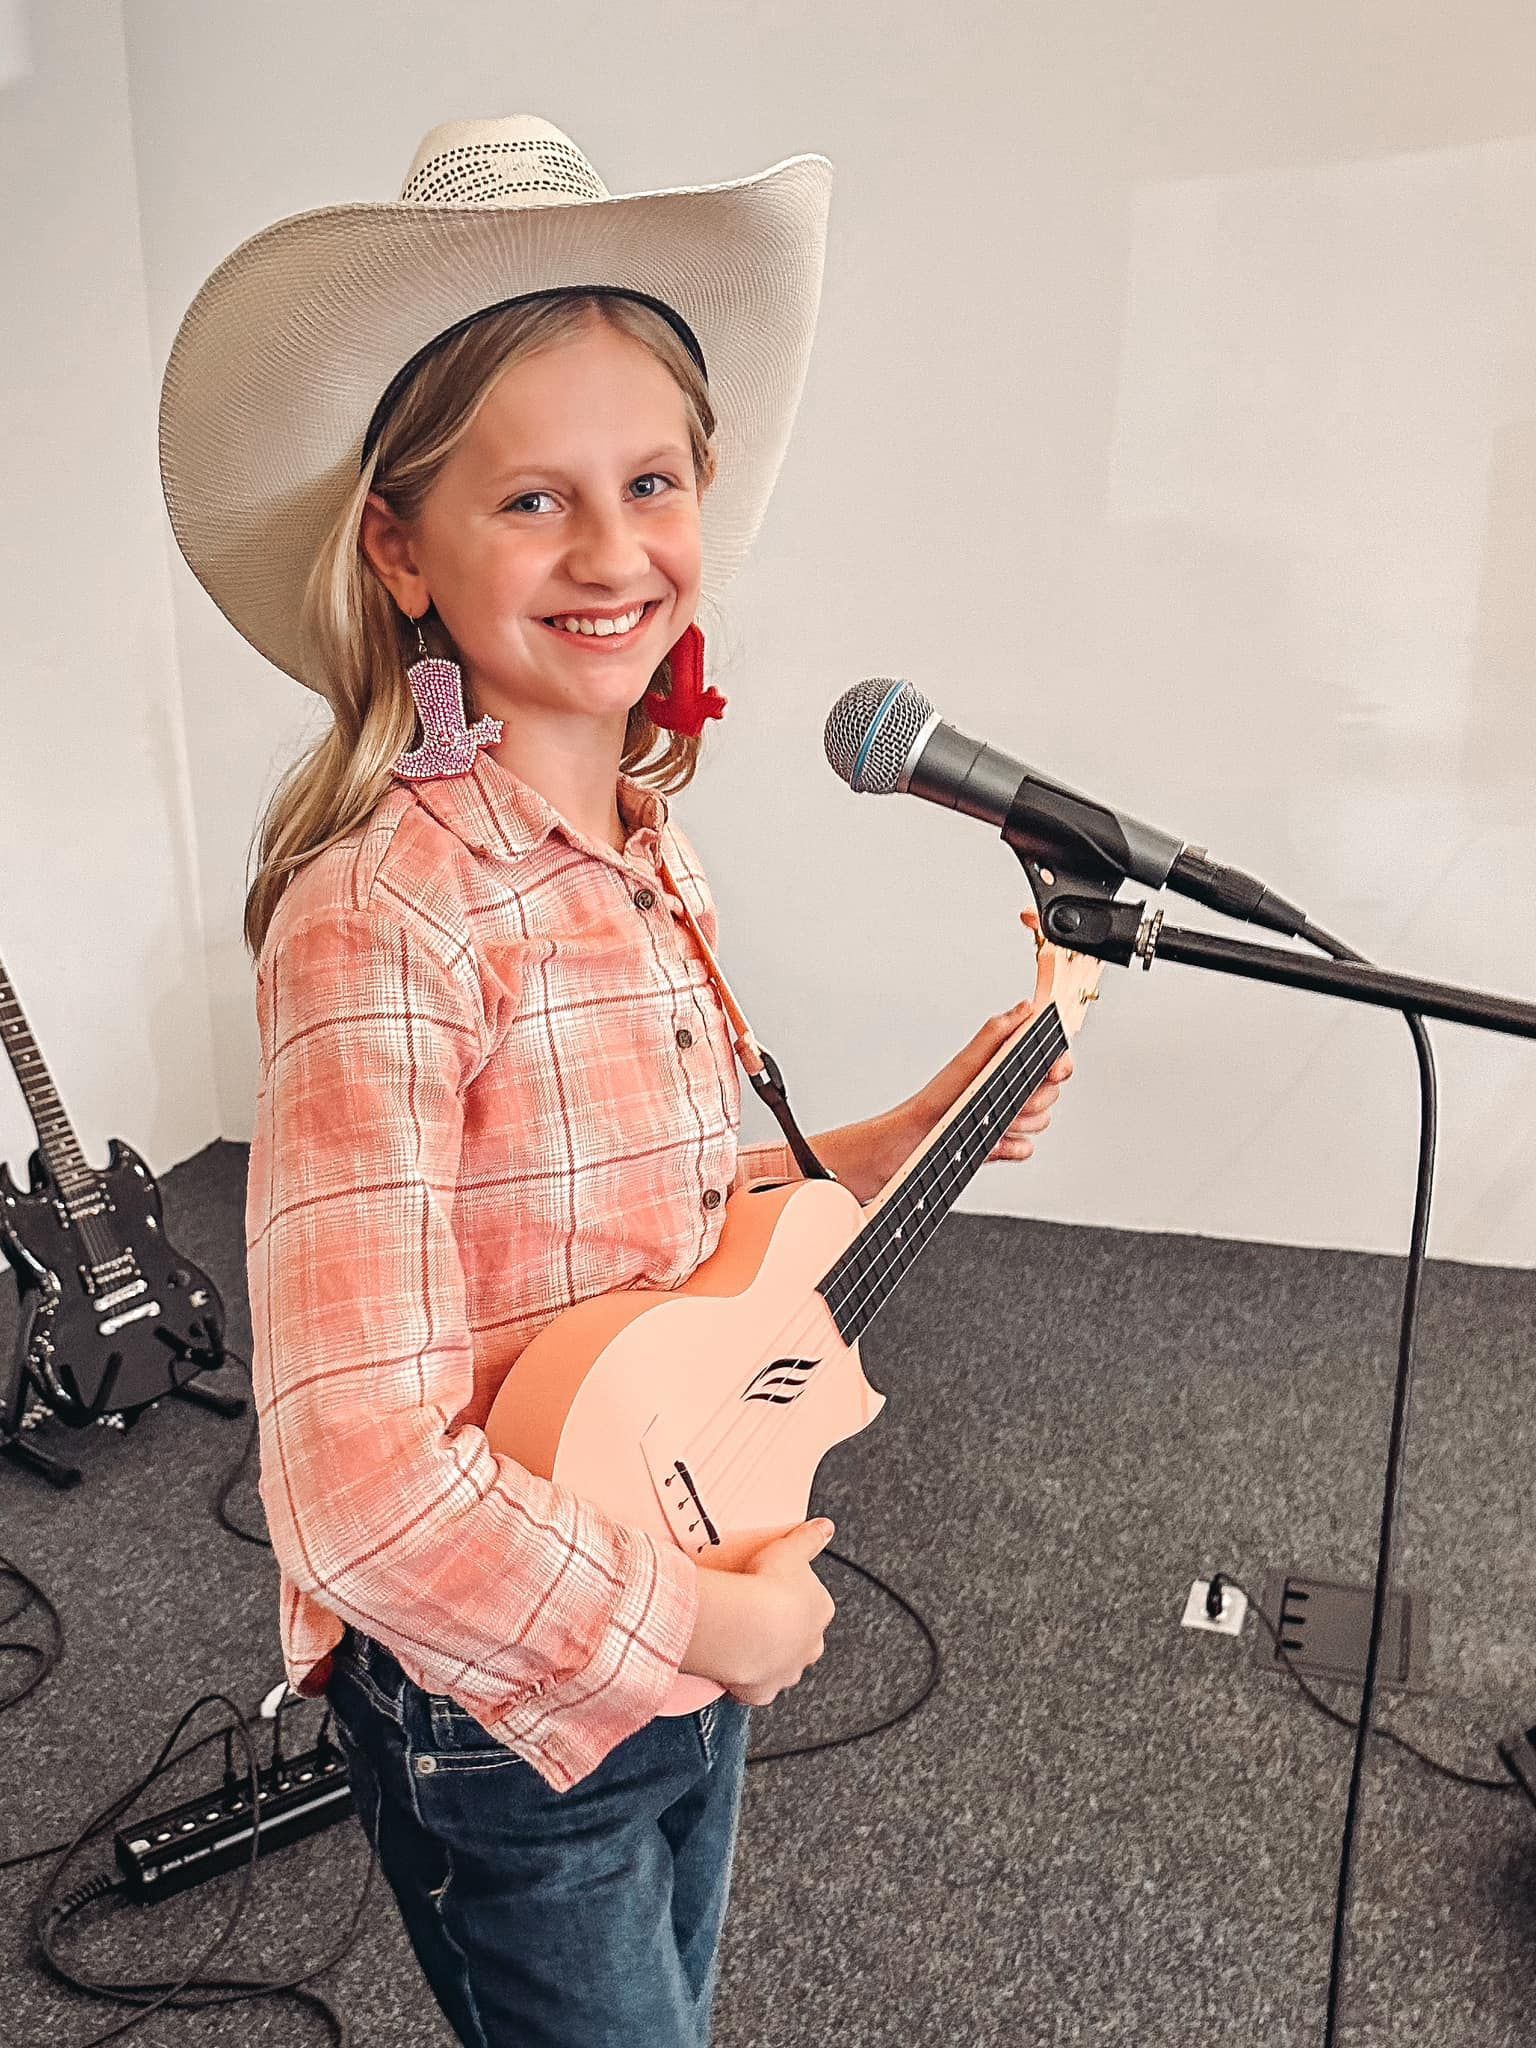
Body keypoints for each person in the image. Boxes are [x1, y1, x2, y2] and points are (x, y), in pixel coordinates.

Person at [157, 115, 1070, 2048]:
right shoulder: (379, 924)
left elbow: (666, 1218)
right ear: (398, 549)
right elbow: (361, 1495)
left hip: (673, 1568)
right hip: (512, 1700)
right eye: (530, 503)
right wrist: (702, 1626)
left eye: (648, 483)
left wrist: (914, 1127)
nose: (610, 552)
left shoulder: (654, 841)